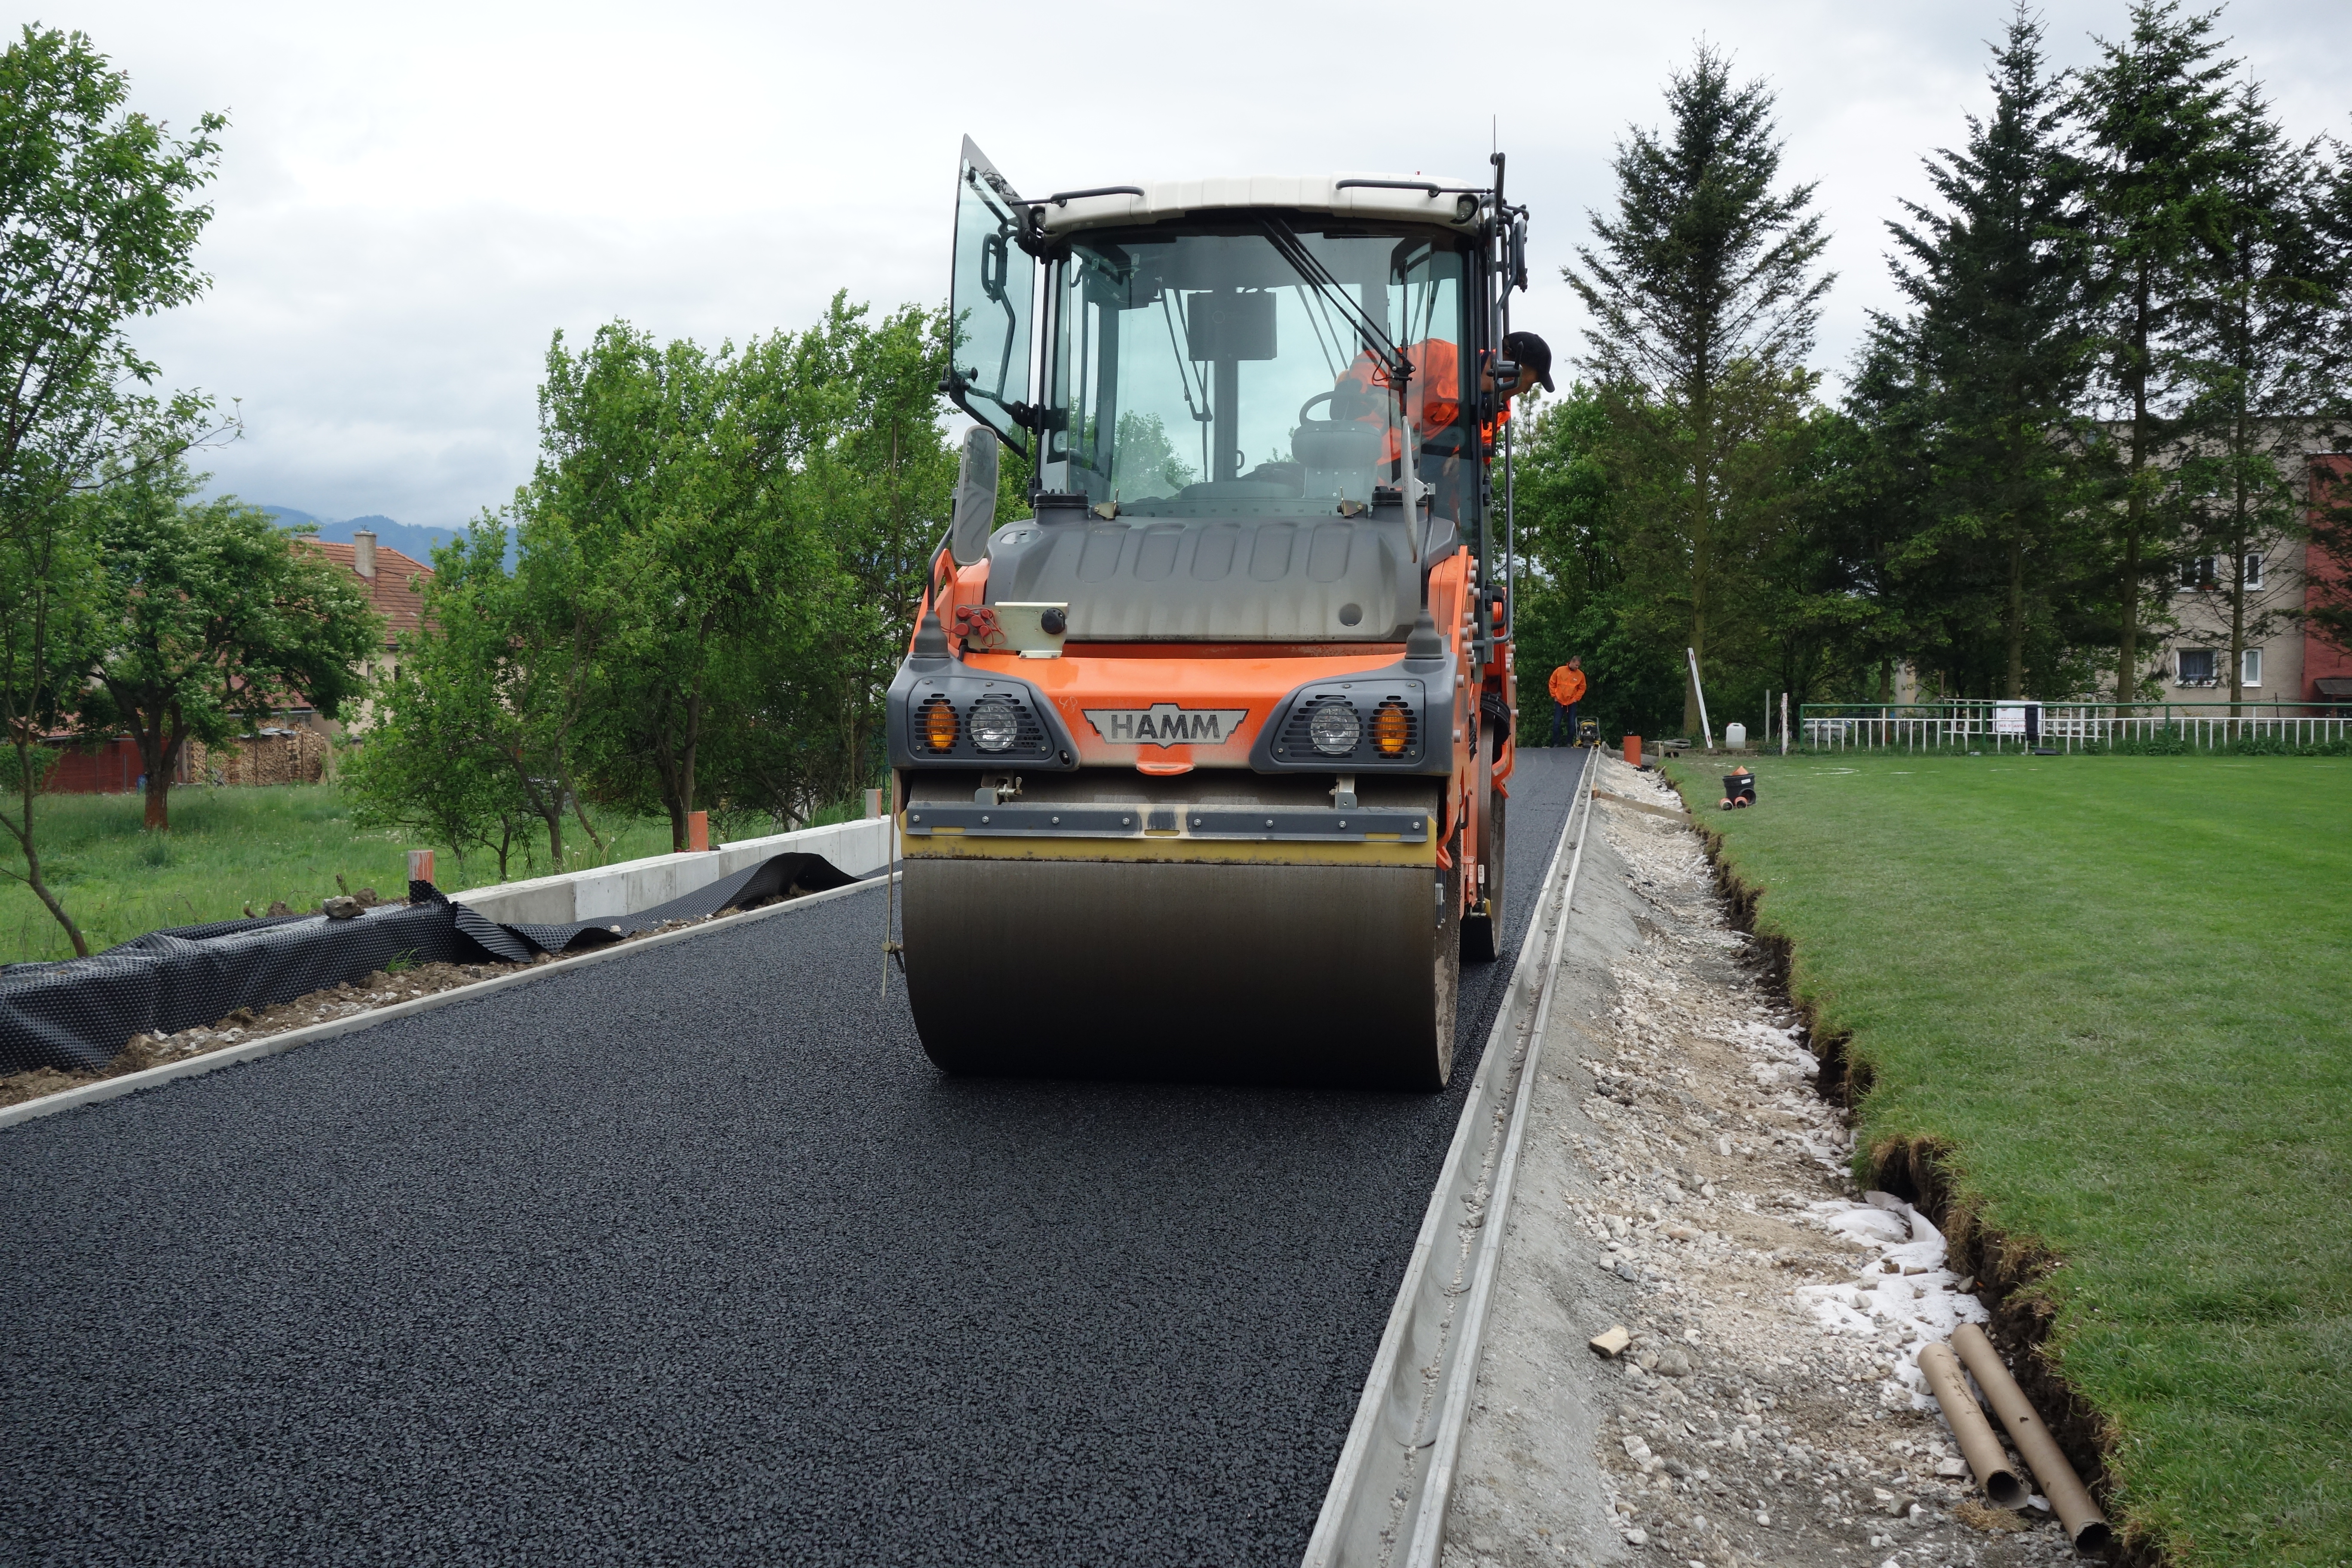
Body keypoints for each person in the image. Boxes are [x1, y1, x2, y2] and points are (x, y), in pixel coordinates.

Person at [1548, 657, 1586, 746]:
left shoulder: (1580, 675)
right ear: (1571, 662)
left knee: (1572, 724)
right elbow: (1552, 683)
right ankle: (1556, 743)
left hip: (1572, 702)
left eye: (1579, 666)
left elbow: (1582, 688)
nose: (1577, 667)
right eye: (1576, 665)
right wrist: (1555, 696)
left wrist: (1576, 699)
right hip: (1560, 701)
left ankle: (1569, 743)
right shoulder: (1560, 670)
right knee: (1557, 723)